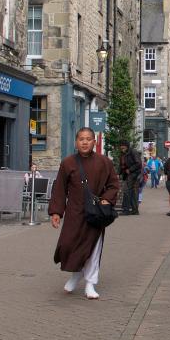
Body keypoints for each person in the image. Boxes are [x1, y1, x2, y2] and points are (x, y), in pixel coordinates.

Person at [48, 128, 119, 300]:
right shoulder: (68, 163)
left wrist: (106, 200)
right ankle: (76, 274)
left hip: (95, 214)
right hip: (74, 212)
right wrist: (56, 211)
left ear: (94, 142)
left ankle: (90, 283)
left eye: (88, 139)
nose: (85, 142)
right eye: (81, 139)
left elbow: (113, 185)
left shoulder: (104, 162)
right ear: (76, 142)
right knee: (67, 245)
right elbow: (59, 189)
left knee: (93, 248)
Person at [117, 142, 143, 215]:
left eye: (123, 148)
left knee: (127, 191)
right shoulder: (123, 154)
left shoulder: (133, 152)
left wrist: (130, 169)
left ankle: (126, 210)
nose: (122, 150)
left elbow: (138, 163)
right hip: (128, 174)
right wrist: (118, 173)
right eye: (121, 148)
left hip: (134, 174)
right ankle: (134, 210)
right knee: (132, 192)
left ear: (127, 147)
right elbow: (121, 165)